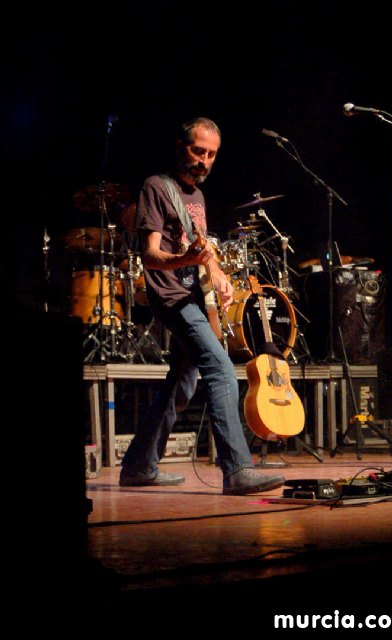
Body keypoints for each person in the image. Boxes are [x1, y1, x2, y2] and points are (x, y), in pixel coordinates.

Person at [120, 117, 285, 495]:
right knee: (221, 370)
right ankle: (237, 469)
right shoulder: (156, 187)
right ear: (181, 147)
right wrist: (187, 261)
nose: (204, 161)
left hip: (194, 296)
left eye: (211, 155)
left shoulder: (197, 197)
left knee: (180, 384)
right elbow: (150, 256)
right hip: (171, 296)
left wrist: (217, 273)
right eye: (198, 151)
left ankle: (138, 466)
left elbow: (201, 249)